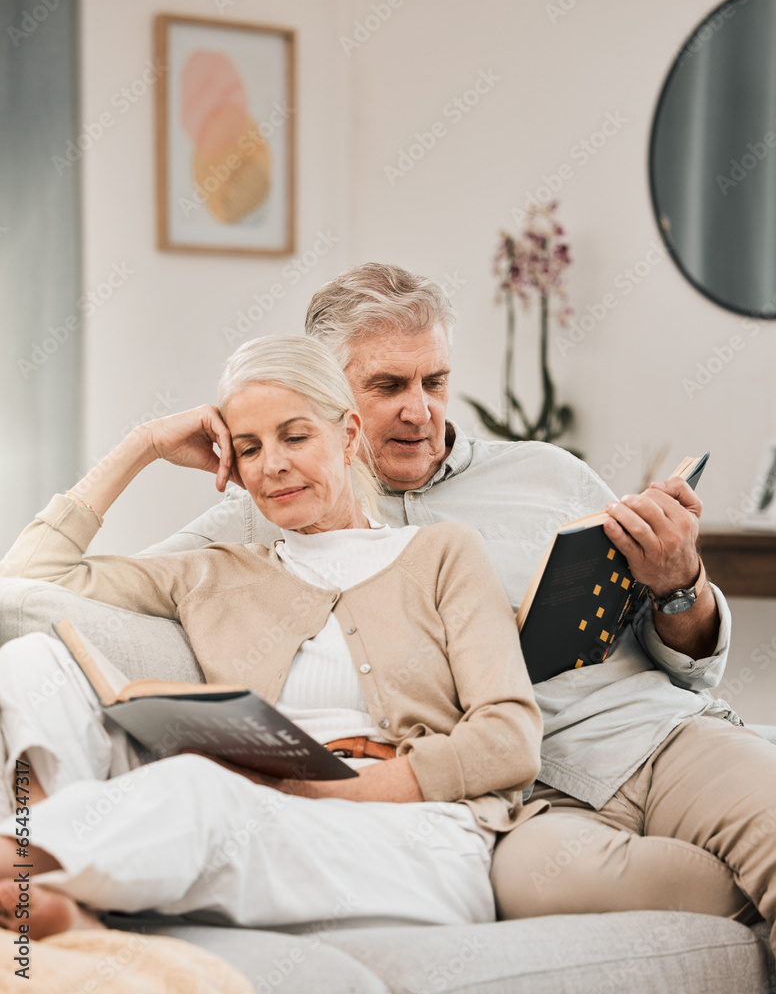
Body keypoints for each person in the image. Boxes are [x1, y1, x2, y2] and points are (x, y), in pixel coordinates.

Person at [140, 263, 776, 940]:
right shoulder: (273, 515)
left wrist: (681, 584)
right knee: (538, 889)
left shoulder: (546, 473)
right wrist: (151, 446)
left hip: (657, 736)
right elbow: (75, 591)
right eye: (389, 386)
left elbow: (691, 665)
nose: (421, 410)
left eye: (434, 381)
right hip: (531, 804)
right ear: (324, 393)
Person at [0, 335, 544, 939]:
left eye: (295, 436)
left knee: (200, 790)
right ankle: (53, 885)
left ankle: (32, 874)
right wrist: (143, 445)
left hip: (414, 841)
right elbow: (28, 579)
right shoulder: (212, 571)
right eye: (248, 448)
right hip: (252, 819)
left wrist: (314, 785)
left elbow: (511, 739)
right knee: (30, 661)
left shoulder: (444, 552)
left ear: (348, 434)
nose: (272, 465)